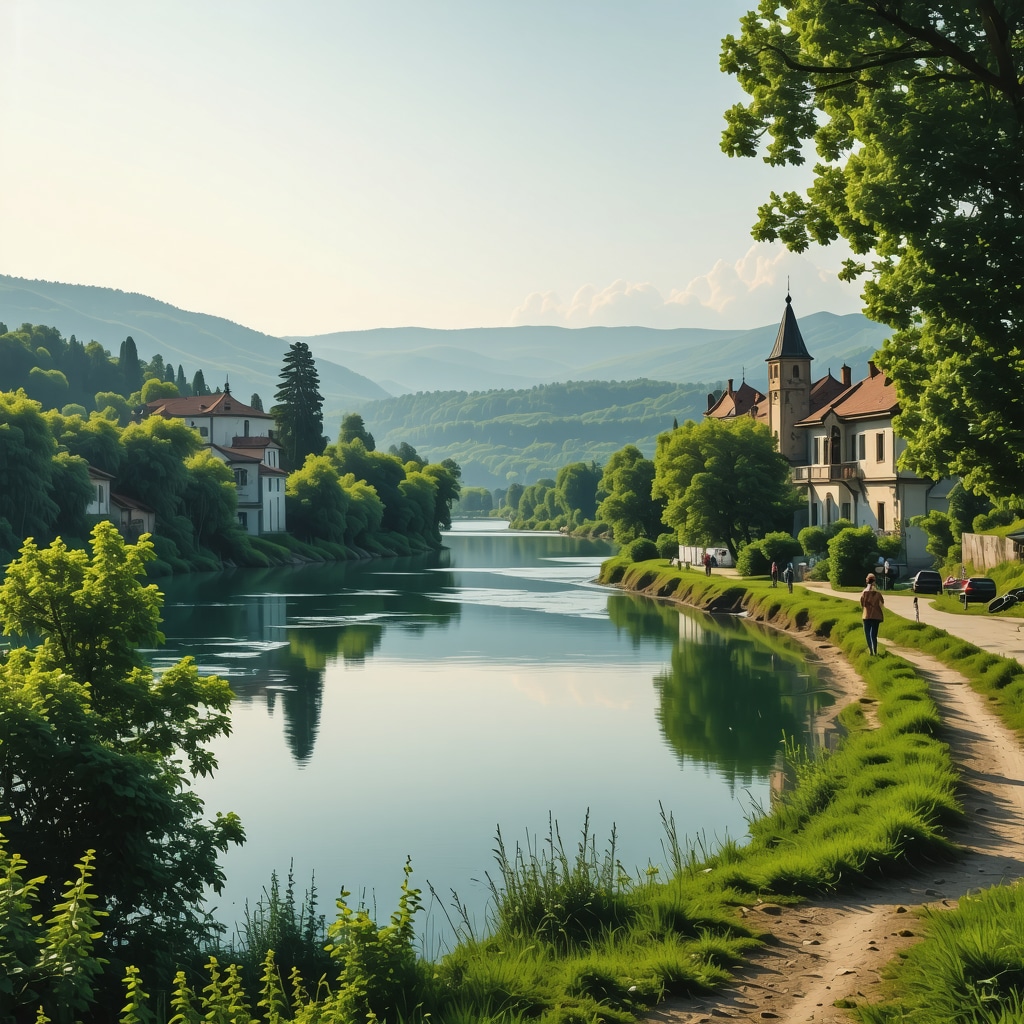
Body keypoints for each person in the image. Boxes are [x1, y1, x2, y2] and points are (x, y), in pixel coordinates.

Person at [860, 572, 885, 655]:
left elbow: (862, 604)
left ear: (867, 581)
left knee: (867, 634)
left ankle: (870, 651)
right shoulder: (877, 593)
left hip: (866, 615)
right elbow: (882, 604)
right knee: (874, 635)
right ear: (874, 581)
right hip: (876, 616)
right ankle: (875, 651)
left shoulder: (864, 593)